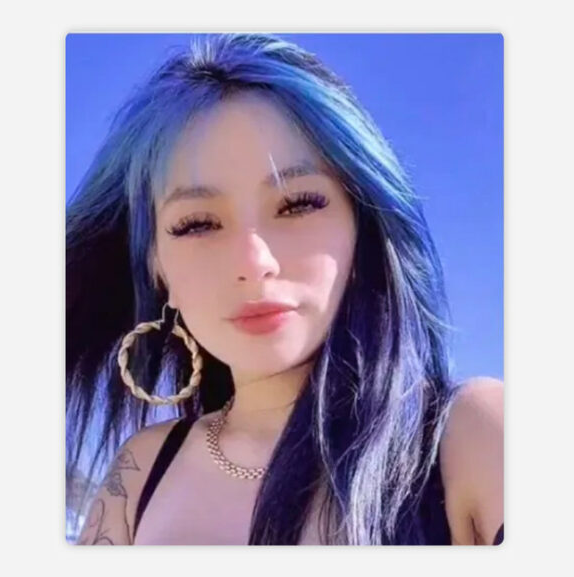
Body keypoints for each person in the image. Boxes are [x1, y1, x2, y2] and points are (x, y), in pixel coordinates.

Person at [66, 33, 503, 545]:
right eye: (198, 224)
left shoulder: (470, 436)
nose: (254, 264)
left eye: (297, 205)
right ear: (158, 269)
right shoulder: (140, 473)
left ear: (363, 231)